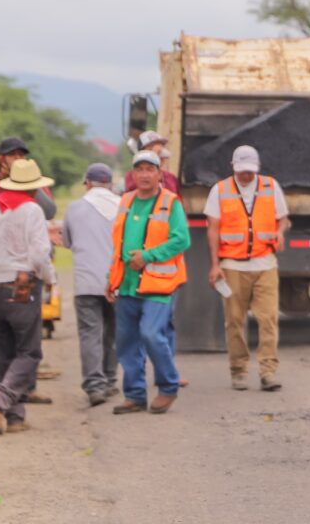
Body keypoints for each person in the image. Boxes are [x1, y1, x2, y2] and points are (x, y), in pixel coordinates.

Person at [0, 159, 55, 434]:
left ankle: (15, 417)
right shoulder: (32, 210)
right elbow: (40, 255)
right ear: (34, 188)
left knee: (2, 351)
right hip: (23, 288)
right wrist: (49, 277)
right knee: (29, 352)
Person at [107, 151, 189, 415]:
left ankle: (168, 386)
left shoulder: (170, 202)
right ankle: (134, 396)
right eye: (139, 169)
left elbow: (181, 240)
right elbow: (117, 244)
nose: (144, 174)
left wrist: (148, 256)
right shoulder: (126, 200)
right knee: (126, 341)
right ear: (132, 174)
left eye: (149, 169)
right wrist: (112, 280)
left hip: (159, 283)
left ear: (159, 174)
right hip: (128, 284)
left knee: (152, 334)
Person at [205, 145, 289, 392]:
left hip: (266, 264)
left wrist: (280, 232)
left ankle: (268, 372)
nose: (246, 176)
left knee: (268, 319)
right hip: (232, 266)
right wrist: (214, 265)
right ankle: (239, 370)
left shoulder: (271, 186)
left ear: (258, 168)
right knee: (234, 320)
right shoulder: (219, 191)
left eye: (250, 171)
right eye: (242, 171)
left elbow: (282, 216)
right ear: (233, 167)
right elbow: (213, 229)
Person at [58, 163, 122, 406]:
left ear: (87, 183)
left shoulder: (75, 208)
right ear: (109, 184)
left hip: (86, 283)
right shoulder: (122, 206)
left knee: (90, 334)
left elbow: (68, 241)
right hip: (116, 282)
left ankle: (94, 387)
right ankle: (110, 380)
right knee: (113, 332)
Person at [0, 137, 58, 221]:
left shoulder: (35, 184)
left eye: (21, 154)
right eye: (11, 154)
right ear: (0, 159)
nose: (17, 158)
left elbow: (50, 213)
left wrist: (31, 183)